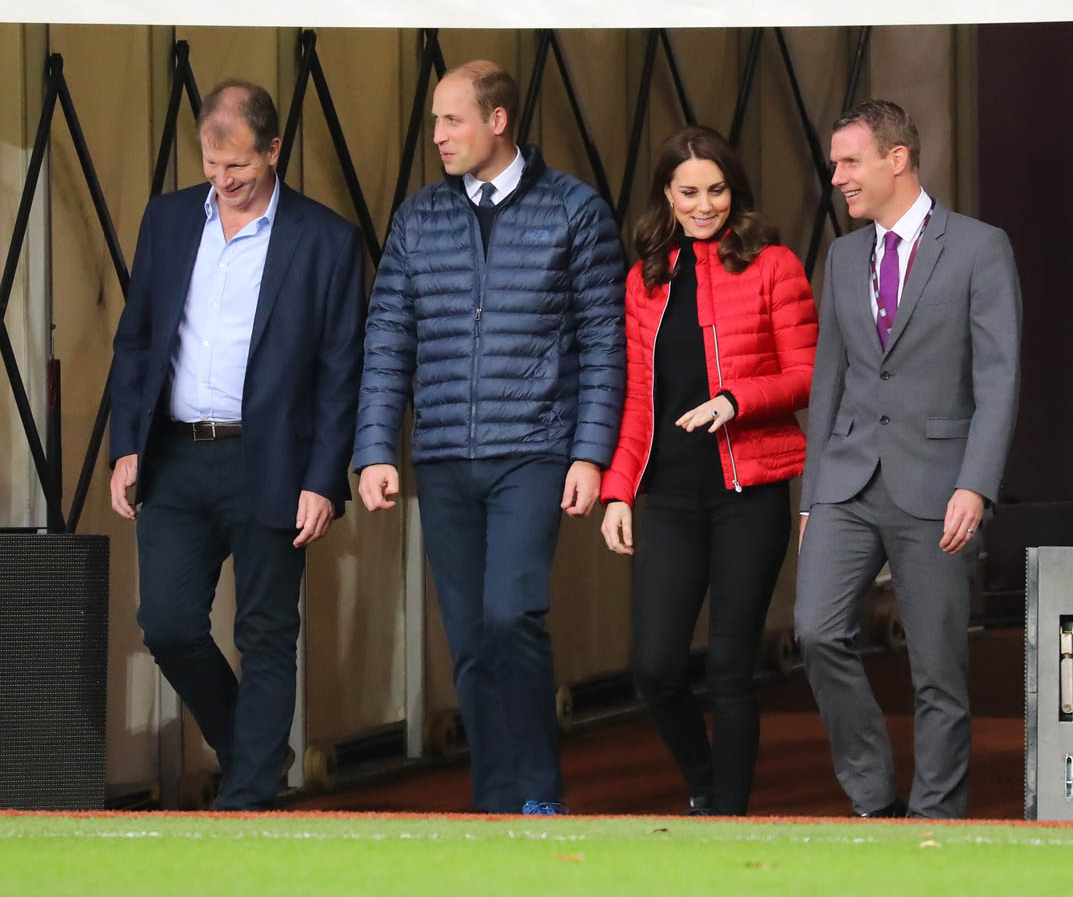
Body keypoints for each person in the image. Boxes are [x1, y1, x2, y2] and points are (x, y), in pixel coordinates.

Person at [355, 60, 625, 815]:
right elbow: (387, 339)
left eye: (453, 120)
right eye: (435, 122)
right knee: (471, 639)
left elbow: (605, 342)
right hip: (443, 456)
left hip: (533, 451)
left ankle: (539, 794)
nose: (438, 136)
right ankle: (496, 802)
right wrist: (374, 449)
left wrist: (589, 453)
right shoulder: (417, 219)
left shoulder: (574, 210)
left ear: (498, 120)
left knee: (512, 616)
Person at [108, 81, 365, 811]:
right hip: (175, 457)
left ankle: (247, 799)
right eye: (212, 165)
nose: (223, 182)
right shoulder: (167, 219)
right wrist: (126, 446)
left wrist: (325, 479)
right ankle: (255, 751)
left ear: (274, 150)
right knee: (167, 625)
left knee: (266, 634)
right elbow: (136, 342)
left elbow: (341, 373)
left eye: (239, 167)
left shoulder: (327, 240)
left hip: (273, 460)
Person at [795, 99, 1021, 819]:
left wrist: (976, 485)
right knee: (816, 632)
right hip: (846, 481)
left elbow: (999, 378)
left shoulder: (981, 247)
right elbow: (828, 379)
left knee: (938, 671)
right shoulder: (843, 256)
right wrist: (811, 496)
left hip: (940, 487)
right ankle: (874, 802)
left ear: (897, 159)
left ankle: (934, 825)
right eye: (835, 163)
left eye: (850, 162)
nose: (838, 177)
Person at [599, 126, 818, 815]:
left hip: (748, 493)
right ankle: (704, 785)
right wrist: (617, 492)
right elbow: (638, 399)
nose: (704, 206)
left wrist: (735, 400)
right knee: (656, 667)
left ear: (734, 191)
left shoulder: (774, 265)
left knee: (729, 671)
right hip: (668, 496)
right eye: (689, 192)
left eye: (716, 190)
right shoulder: (645, 278)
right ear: (666, 195)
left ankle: (727, 816)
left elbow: (810, 374)